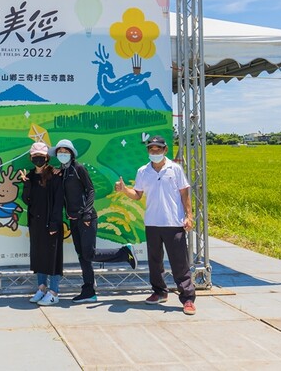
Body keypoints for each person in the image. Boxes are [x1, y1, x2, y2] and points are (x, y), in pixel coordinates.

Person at [115, 135, 196, 315]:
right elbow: (137, 194)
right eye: (151, 149)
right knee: (155, 261)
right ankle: (159, 292)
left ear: (165, 150)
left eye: (158, 149)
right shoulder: (143, 171)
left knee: (179, 262)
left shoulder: (174, 169)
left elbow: (185, 194)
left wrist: (189, 216)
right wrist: (124, 190)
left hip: (173, 223)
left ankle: (188, 298)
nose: (155, 152)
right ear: (148, 151)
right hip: (152, 222)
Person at [52, 138, 137, 303]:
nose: (62, 154)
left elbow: (90, 189)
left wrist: (87, 213)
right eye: (60, 152)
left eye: (65, 151)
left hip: (86, 219)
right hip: (73, 220)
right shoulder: (62, 172)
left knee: (89, 253)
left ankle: (124, 253)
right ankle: (88, 290)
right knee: (82, 256)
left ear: (72, 153)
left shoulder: (78, 168)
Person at [18, 142, 64, 307]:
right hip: (36, 223)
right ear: (31, 158)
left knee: (53, 257)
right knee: (39, 256)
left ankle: (54, 291)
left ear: (47, 157)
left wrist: (54, 223)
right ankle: (41, 288)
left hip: (51, 223)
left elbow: (59, 201)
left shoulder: (55, 175)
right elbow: (27, 200)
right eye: (35, 156)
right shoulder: (30, 176)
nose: (38, 159)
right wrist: (26, 184)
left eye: (41, 156)